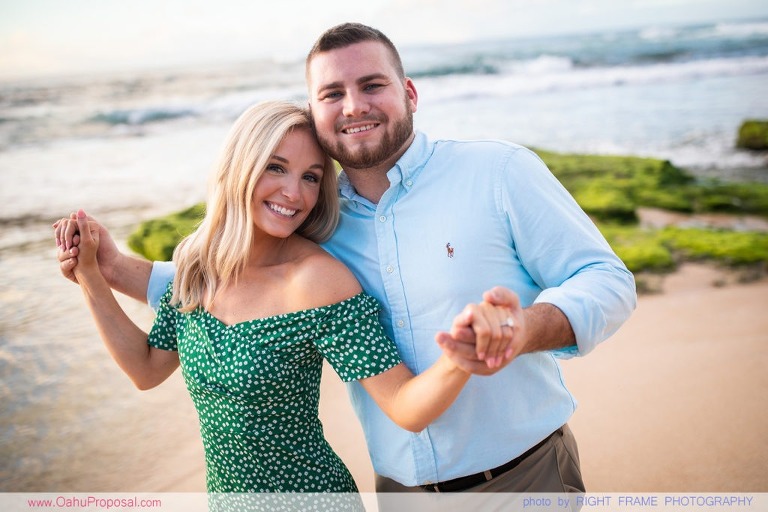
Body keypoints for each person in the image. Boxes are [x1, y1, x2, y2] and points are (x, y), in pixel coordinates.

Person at [57, 23, 636, 497]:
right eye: (333, 93)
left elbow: (607, 280)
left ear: (409, 93)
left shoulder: (498, 172)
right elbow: (231, 292)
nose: (353, 105)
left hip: (521, 477)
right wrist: (104, 268)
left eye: (372, 85)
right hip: (398, 491)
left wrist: (520, 328)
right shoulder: (313, 224)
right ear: (315, 110)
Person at [54, 100, 516, 500]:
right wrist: (92, 274)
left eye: (312, 178)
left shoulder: (317, 281)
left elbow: (402, 406)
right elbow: (146, 368)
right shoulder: (196, 263)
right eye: (276, 167)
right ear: (240, 166)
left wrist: (459, 361)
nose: (294, 194)